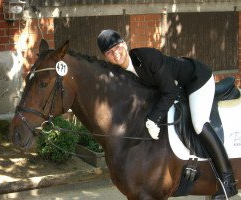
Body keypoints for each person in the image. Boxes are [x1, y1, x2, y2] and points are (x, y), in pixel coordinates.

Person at [97, 29, 237, 199]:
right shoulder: (119, 73)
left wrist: (153, 119)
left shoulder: (147, 57)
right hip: (178, 88)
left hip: (196, 79)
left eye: (117, 47)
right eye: (109, 52)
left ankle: (228, 181)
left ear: (124, 45)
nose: (115, 54)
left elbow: (169, 91)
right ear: (106, 57)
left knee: (199, 123)